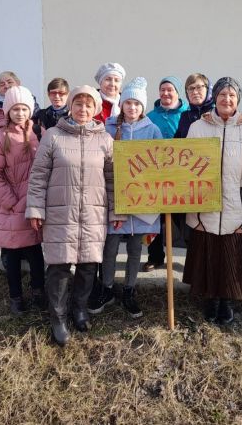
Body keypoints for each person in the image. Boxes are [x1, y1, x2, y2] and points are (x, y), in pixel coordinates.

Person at [26, 85, 123, 346]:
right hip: (61, 212)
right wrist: (35, 208)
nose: (83, 109)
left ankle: (79, 309)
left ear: (95, 109)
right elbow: (38, 176)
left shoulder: (104, 139)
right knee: (59, 266)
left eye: (88, 105)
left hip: (93, 212)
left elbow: (113, 179)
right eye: (78, 104)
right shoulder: (54, 136)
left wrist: (116, 210)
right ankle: (57, 318)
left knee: (88, 264)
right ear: (71, 106)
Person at [182, 77, 242, 325]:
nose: (226, 100)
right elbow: (186, 166)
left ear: (238, 99)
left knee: (230, 254)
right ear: (214, 99)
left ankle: (227, 301)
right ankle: (209, 299)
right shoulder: (198, 128)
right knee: (207, 252)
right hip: (203, 205)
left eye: (231, 95)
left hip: (237, 205)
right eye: (221, 95)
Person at [88, 77, 163, 318]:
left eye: (137, 104)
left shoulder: (152, 130)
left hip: (142, 201)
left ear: (143, 107)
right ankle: (107, 288)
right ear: (123, 105)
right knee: (109, 248)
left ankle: (130, 290)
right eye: (128, 103)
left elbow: (162, 162)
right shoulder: (108, 128)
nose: (132, 108)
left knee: (134, 249)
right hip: (114, 200)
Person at [0, 86, 45, 315]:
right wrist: (12, 202)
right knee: (13, 256)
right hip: (10, 208)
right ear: (8, 111)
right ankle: (16, 297)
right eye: (16, 109)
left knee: (36, 253)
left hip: (33, 205)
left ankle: (39, 291)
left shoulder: (36, 133)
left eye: (24, 109)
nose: (20, 113)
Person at [143, 76, 190, 272]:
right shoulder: (150, 116)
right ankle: (155, 257)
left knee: (184, 220)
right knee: (155, 220)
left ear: (178, 93)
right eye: (162, 89)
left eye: (170, 89)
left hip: (181, 176)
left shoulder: (187, 114)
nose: (165, 93)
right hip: (156, 176)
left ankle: (191, 261)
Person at [175, 73, 215, 139]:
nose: (195, 92)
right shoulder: (185, 117)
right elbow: (177, 143)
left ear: (208, 90)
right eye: (191, 88)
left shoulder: (217, 113)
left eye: (199, 87)